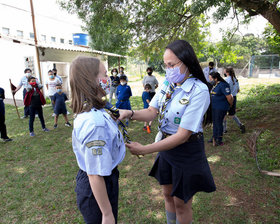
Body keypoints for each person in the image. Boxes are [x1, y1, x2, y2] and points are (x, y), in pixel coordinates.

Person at [119, 40, 216, 224]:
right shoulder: (168, 83)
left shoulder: (199, 90)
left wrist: (145, 149)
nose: (168, 69)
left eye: (172, 65)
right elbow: (151, 112)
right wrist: (129, 113)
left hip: (186, 150)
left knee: (181, 202)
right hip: (166, 147)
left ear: (186, 62)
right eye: (166, 65)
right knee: (167, 193)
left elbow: (182, 135)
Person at [70, 56, 126, 224]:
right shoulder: (95, 123)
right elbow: (94, 173)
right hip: (97, 185)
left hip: (103, 180)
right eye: (104, 74)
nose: (108, 79)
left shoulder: (96, 110)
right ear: (90, 79)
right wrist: (107, 214)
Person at [209, 72, 233, 146]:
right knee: (215, 123)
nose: (210, 80)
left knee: (218, 123)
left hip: (221, 108)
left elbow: (229, 97)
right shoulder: (216, 85)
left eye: (211, 79)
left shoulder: (223, 85)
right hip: (214, 107)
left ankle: (219, 140)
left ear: (216, 78)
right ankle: (214, 137)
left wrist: (230, 105)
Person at [223, 67, 245, 134]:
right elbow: (238, 90)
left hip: (227, 98)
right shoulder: (235, 79)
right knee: (232, 114)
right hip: (234, 98)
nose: (224, 72)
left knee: (224, 114)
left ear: (227, 72)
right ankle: (240, 125)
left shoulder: (226, 80)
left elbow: (224, 90)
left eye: (225, 71)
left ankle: (224, 129)